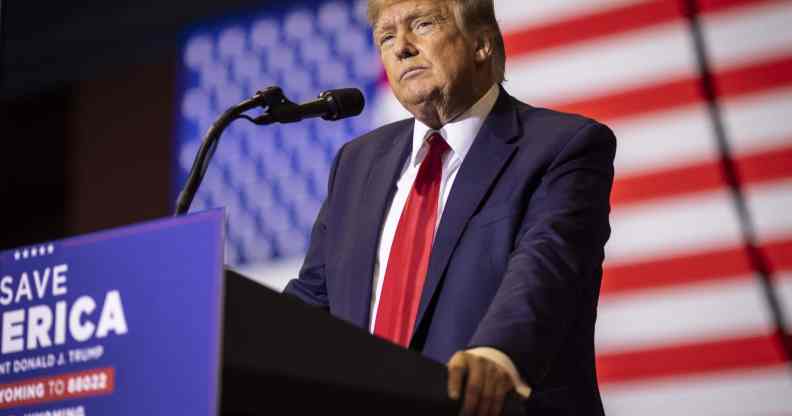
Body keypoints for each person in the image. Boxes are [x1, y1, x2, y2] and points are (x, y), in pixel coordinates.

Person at [284, 0, 616, 414]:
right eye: (386, 37)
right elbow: (313, 300)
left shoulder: (562, 147)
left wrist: (497, 354)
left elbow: (546, 265)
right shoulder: (356, 163)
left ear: (481, 43)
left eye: (422, 24)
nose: (401, 47)